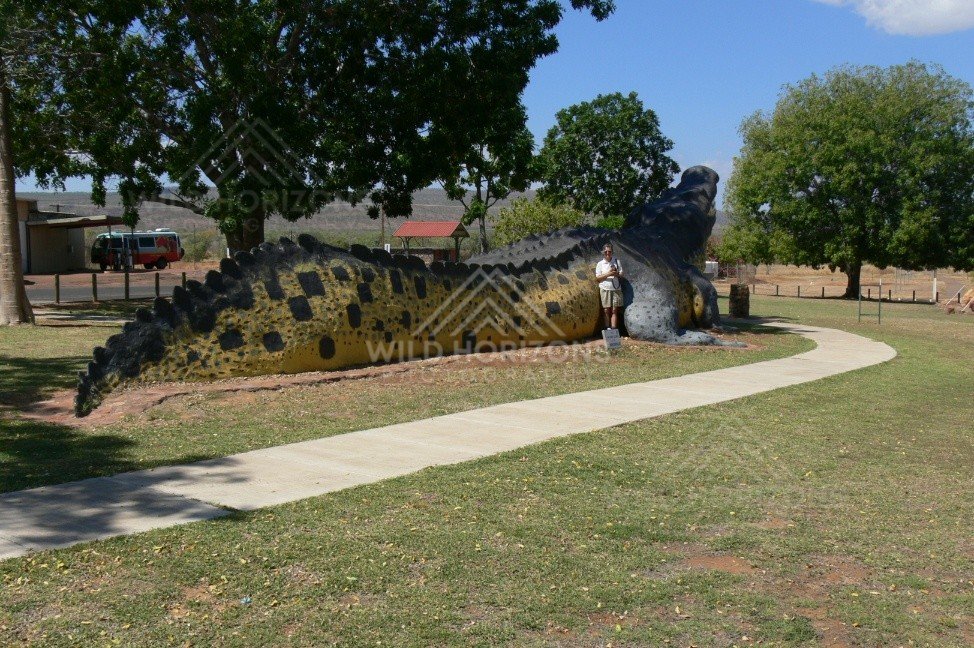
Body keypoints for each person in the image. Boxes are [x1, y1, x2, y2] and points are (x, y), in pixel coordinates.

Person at [595, 244, 624, 330]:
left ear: (612, 252)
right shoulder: (600, 264)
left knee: (614, 310)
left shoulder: (617, 261)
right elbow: (598, 278)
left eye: (609, 251)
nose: (608, 253)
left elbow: (621, 274)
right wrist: (609, 273)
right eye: (606, 251)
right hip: (605, 288)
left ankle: (614, 328)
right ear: (603, 252)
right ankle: (608, 329)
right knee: (606, 310)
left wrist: (616, 273)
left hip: (616, 288)